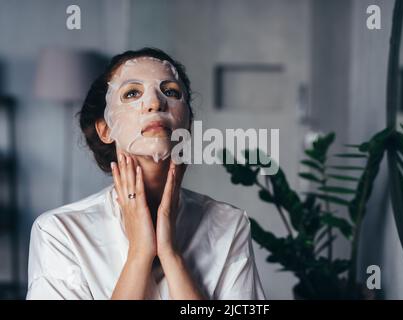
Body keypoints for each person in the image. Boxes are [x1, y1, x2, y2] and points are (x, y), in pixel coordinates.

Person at [26, 47, 265, 300]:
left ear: (187, 124)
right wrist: (140, 253)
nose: (155, 103)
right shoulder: (59, 232)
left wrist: (171, 255)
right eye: (132, 93)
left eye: (171, 92)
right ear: (105, 130)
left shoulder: (229, 224)